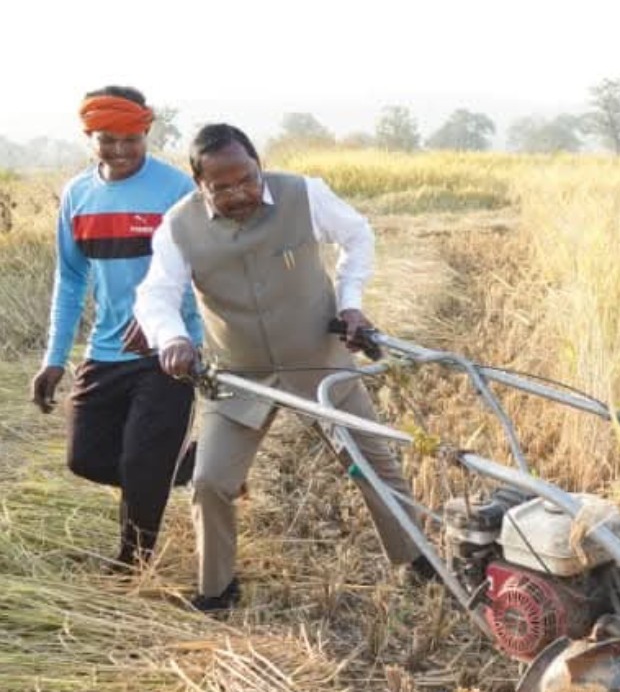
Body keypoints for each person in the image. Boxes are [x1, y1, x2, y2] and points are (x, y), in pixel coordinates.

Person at [130, 123, 429, 613]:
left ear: (258, 165)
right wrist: (173, 338)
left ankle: (416, 561)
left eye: (247, 178)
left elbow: (357, 235)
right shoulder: (179, 226)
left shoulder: (303, 194)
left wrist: (351, 303)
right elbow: (155, 294)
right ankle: (217, 589)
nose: (239, 193)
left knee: (375, 468)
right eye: (221, 187)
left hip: (318, 360)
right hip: (238, 373)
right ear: (199, 184)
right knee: (210, 483)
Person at [30, 85, 203, 570]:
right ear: (89, 137)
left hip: (170, 350)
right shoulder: (77, 194)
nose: (121, 150)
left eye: (132, 138)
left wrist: (164, 325)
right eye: (108, 139)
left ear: (147, 131)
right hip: (105, 351)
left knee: (140, 462)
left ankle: (133, 561)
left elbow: (201, 270)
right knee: (84, 459)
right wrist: (54, 358)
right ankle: (193, 465)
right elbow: (71, 279)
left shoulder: (176, 191)